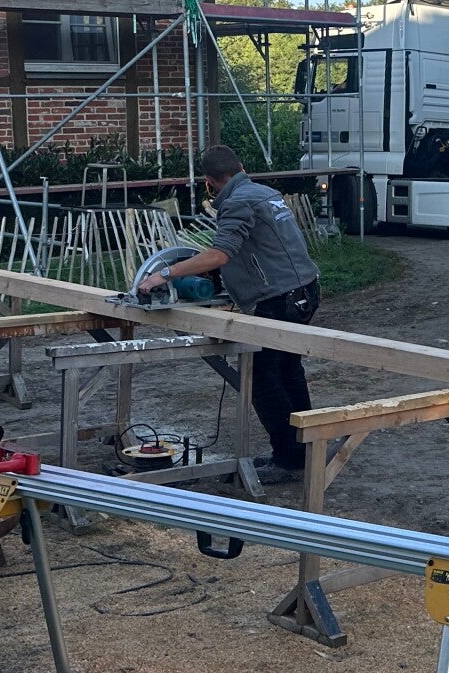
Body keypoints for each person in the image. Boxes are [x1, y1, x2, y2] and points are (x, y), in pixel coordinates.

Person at [137, 144, 322, 484]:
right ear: (241, 167)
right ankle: (303, 449)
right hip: (304, 290)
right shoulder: (264, 193)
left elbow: (219, 254)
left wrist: (165, 274)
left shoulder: (237, 202)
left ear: (209, 182)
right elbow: (258, 247)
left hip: (279, 299)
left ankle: (289, 459)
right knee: (288, 371)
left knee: (262, 379)